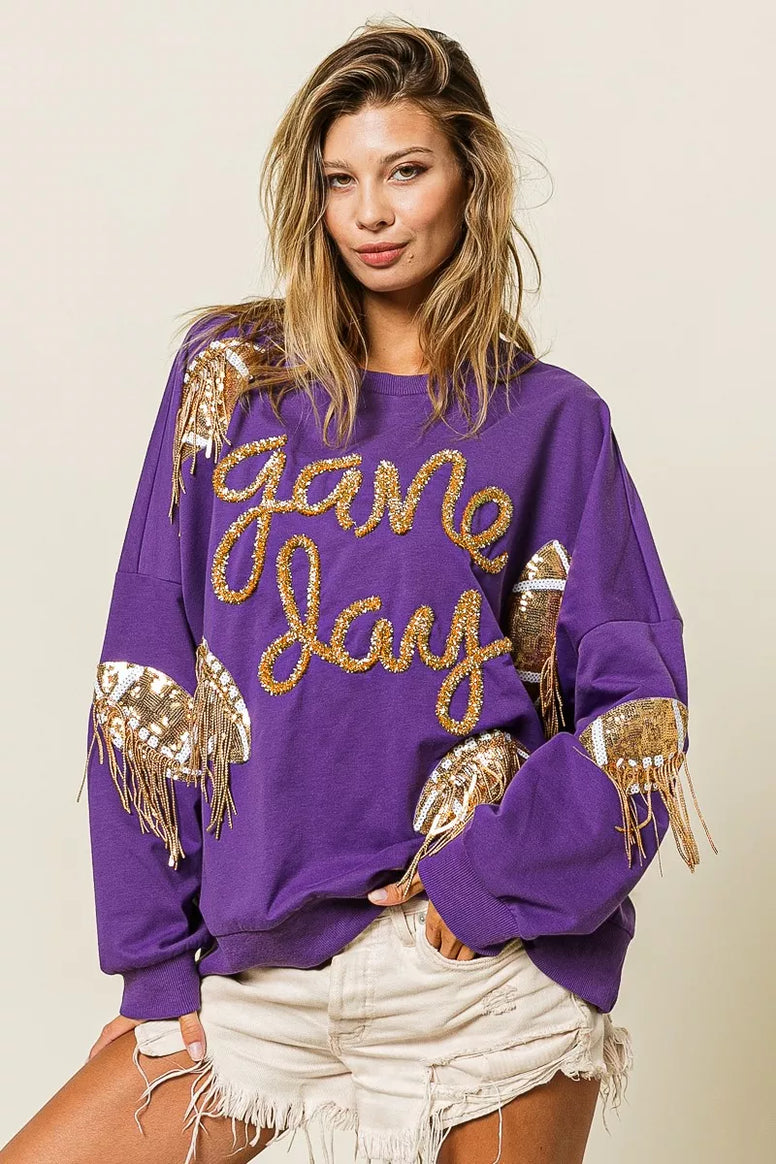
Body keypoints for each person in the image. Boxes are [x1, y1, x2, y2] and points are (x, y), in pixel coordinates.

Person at [1, 17, 717, 1164]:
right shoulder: (229, 383)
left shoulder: (550, 422)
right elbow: (147, 658)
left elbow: (640, 708)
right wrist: (152, 967)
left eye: (405, 171)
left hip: (480, 974)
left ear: (468, 180)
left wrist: (484, 882)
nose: (370, 213)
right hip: (261, 965)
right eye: (341, 180)